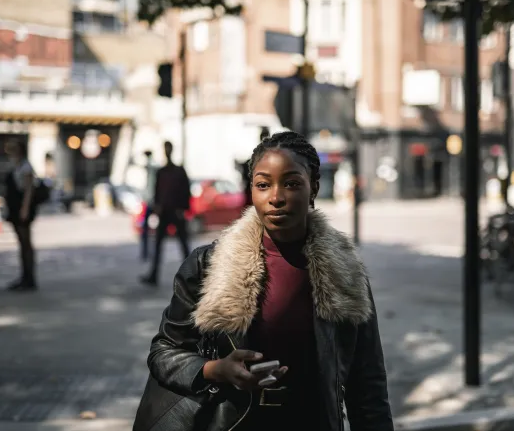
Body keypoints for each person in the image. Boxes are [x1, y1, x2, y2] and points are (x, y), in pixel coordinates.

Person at [133, 131, 392, 431]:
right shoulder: (207, 266)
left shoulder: (345, 271)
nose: (276, 198)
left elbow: (368, 385)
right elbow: (164, 353)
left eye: (292, 184)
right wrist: (215, 369)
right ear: (251, 190)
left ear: (314, 188)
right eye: (263, 185)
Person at [140, 141, 192, 286]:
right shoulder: (162, 172)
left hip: (176, 211)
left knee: (183, 244)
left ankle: (192, 276)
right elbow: (158, 192)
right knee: (159, 245)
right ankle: (154, 275)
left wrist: (183, 208)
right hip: (165, 211)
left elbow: (185, 191)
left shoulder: (178, 171)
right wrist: (157, 207)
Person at [4, 141, 37, 291]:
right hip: (15, 209)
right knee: (22, 244)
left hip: (21, 210)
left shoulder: (25, 167)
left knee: (26, 244)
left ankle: (29, 278)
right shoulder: (16, 167)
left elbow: (29, 190)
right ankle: (25, 276)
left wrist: (25, 208)